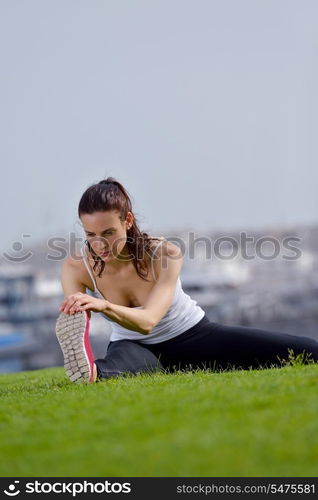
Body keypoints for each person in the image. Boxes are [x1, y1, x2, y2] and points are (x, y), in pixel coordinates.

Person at [56, 177, 318, 383]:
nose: (99, 244)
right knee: (111, 367)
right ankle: (93, 373)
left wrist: (103, 305)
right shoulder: (76, 268)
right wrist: (76, 314)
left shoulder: (165, 253)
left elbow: (148, 321)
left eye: (109, 232)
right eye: (90, 234)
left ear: (127, 221)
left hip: (192, 336)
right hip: (133, 346)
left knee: (307, 351)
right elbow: (79, 323)